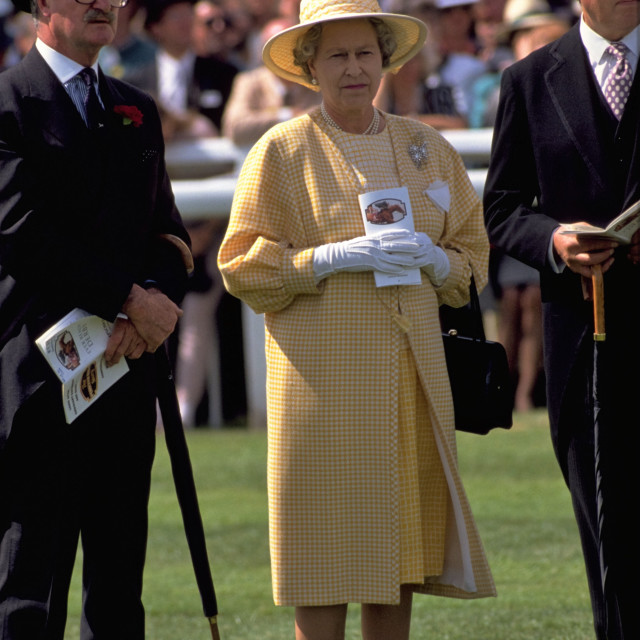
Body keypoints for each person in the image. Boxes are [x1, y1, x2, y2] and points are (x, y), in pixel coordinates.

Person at [218, 1, 496, 638]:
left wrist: (435, 260)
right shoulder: (282, 151)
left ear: (386, 60)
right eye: (337, 55)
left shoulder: (428, 146)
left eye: (365, 53)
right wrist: (323, 261)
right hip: (323, 389)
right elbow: (238, 265)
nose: (354, 69)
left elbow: (473, 259)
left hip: (410, 381)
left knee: (398, 559)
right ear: (310, 66)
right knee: (322, 562)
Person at [0, 0, 192, 637]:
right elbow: (21, 233)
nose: (103, 1)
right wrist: (129, 298)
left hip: (125, 372)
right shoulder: (8, 101)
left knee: (118, 591)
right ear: (41, 6)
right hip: (35, 375)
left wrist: (151, 308)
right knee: (30, 591)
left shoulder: (135, 107)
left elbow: (167, 234)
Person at [483, 0, 640, 635]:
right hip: (586, 343)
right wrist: (556, 241)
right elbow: (503, 209)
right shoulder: (528, 78)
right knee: (610, 541)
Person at [221, 15, 321, 148]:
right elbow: (235, 127)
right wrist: (287, 116)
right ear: (263, 52)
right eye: (275, 48)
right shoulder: (249, 82)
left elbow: (329, 120)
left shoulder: (316, 82)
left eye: (290, 45)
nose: (284, 53)